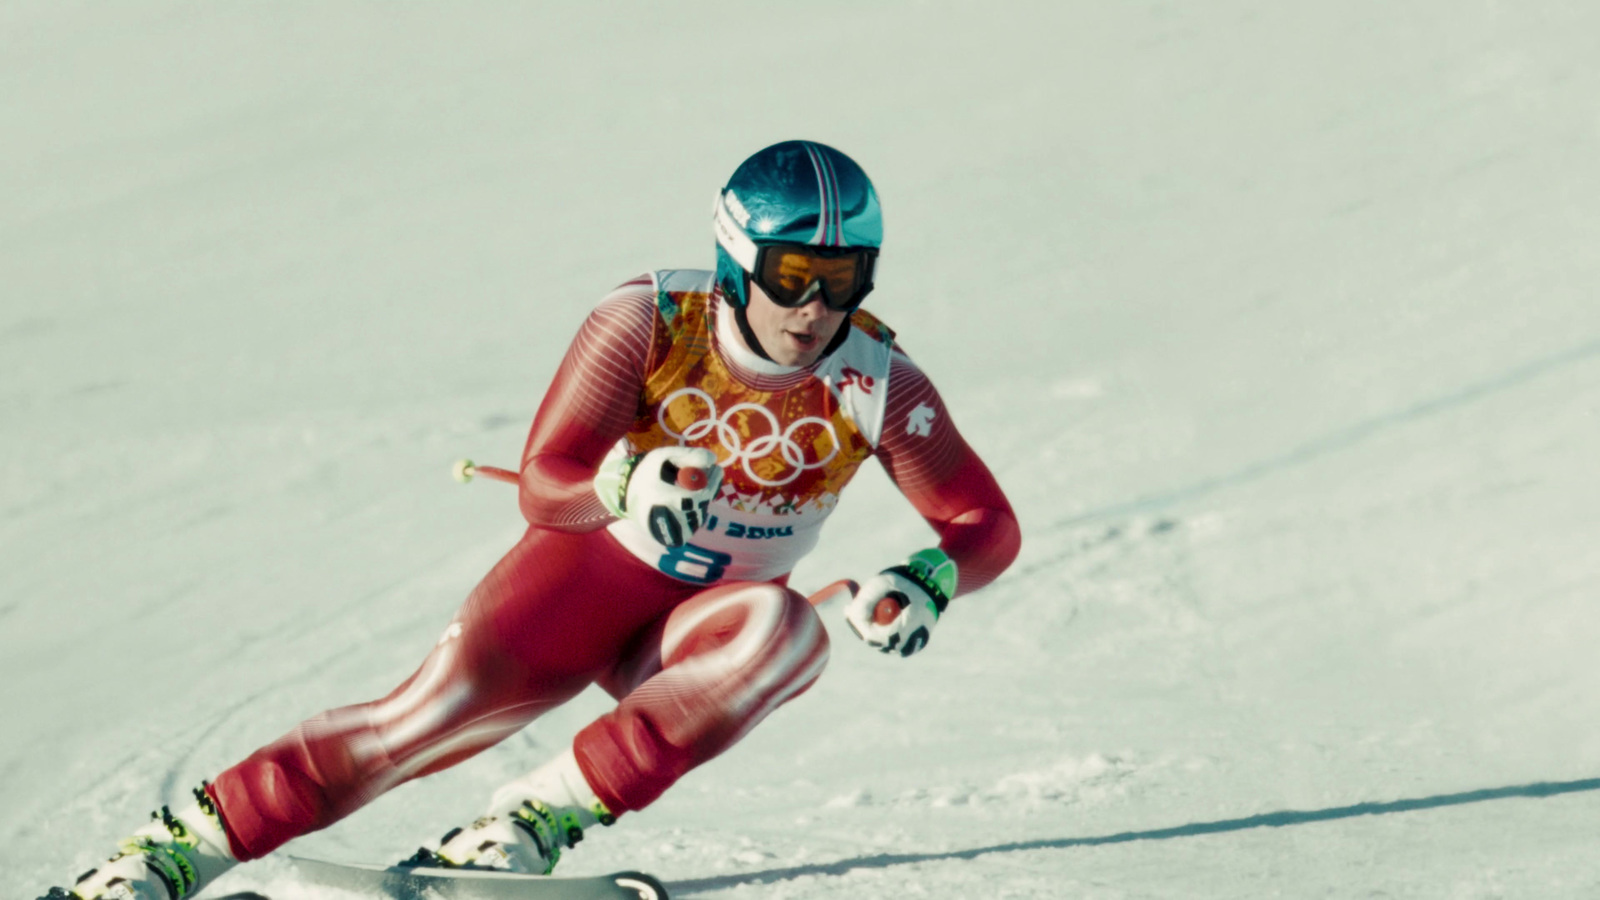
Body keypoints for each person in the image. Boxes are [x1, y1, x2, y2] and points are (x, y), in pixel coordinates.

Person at [43, 140, 1021, 900]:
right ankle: (163, 862)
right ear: (735, 262)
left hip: (692, 629)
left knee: (791, 634)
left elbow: (983, 521)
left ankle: (523, 829)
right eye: (793, 273)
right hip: (582, 586)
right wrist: (618, 486)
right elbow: (543, 479)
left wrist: (930, 576)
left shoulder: (875, 385)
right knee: (408, 731)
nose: (815, 309)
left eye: (844, 279)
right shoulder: (649, 324)